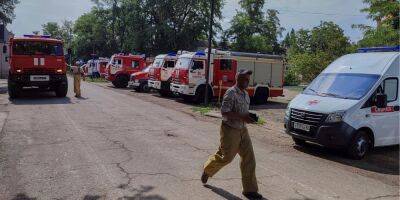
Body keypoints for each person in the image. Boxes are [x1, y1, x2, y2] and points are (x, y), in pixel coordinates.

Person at [202, 69, 262, 200]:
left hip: (243, 130)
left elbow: (243, 112)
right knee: (226, 157)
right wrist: (242, 117)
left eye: (247, 79)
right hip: (230, 130)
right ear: (237, 78)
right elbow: (224, 112)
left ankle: (250, 190)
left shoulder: (246, 94)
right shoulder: (231, 93)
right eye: (243, 79)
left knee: (249, 159)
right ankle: (207, 169)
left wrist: (249, 118)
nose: (246, 81)